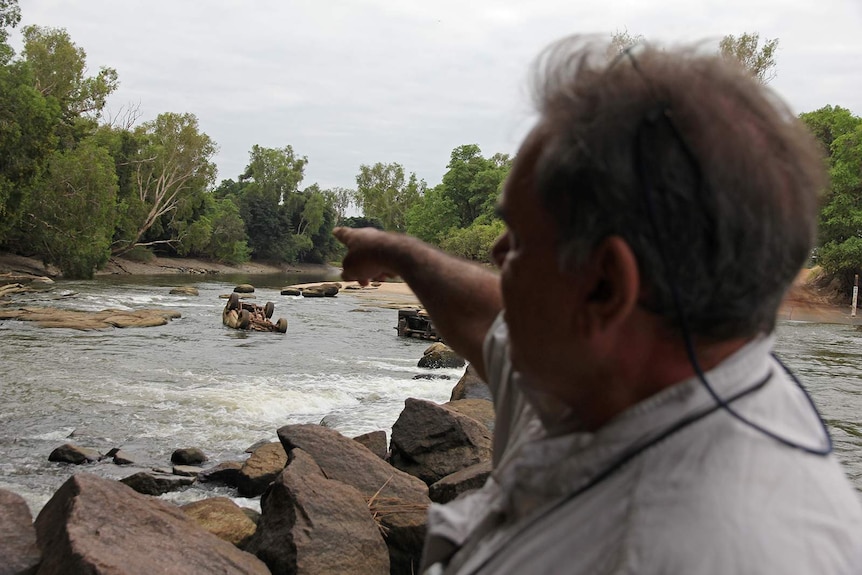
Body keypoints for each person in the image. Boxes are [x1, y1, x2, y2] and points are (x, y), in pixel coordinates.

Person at [334, 36, 862, 575]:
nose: (495, 255)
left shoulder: (657, 550)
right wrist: (406, 257)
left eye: (516, 239)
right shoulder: (644, 370)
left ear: (607, 288)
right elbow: (494, 322)